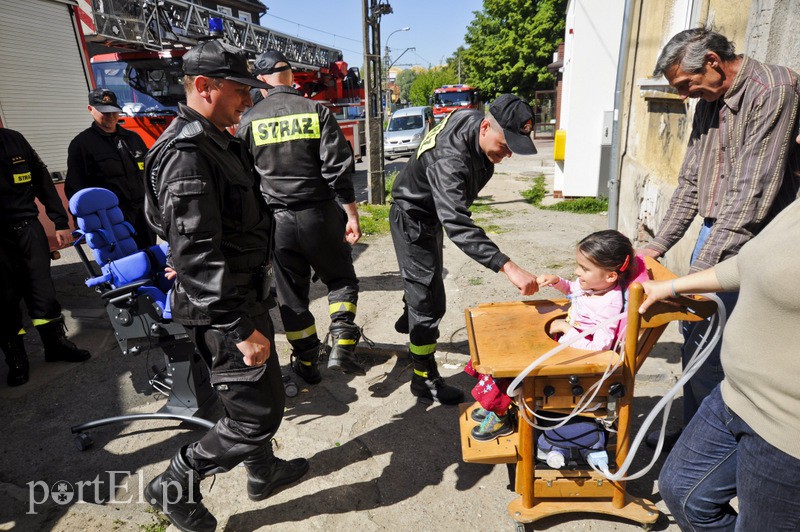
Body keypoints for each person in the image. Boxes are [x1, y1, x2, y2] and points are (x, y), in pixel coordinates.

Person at [142, 40, 307, 531]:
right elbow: (194, 251)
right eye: (239, 90)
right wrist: (238, 327)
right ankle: (174, 484)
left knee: (259, 396)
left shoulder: (216, 139)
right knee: (255, 416)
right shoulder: (187, 152)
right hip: (223, 310)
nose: (247, 100)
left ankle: (262, 472)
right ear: (203, 86)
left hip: (241, 296)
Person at [638, 28, 800, 446]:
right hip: (717, 230)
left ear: (712, 61)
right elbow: (690, 182)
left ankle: (724, 446)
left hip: (760, 238)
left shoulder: (773, 89)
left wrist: (693, 276)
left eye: (685, 84)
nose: (686, 95)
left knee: (727, 347)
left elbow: (752, 192)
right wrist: (654, 249)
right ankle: (696, 434)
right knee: (696, 340)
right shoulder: (708, 102)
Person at [638, 195, 800, 530]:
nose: (797, 138)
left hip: (786, 426)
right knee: (685, 493)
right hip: (734, 395)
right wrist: (669, 286)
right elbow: (748, 263)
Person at [390, 94, 540, 405]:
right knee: (429, 306)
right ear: (485, 126)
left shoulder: (469, 118)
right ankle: (423, 378)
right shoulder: (451, 161)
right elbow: (456, 222)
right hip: (414, 218)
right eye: (505, 145)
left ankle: (412, 302)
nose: (508, 154)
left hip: (429, 213)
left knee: (424, 286)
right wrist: (508, 266)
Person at [237, 49, 364, 384]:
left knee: (292, 299)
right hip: (320, 215)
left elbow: (243, 180)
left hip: (277, 224)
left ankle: (307, 365)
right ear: (291, 76)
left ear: (261, 82)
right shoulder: (316, 110)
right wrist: (351, 215)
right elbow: (339, 170)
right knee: (340, 279)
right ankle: (343, 341)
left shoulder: (249, 121)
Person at [465, 230, 634, 441]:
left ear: (610, 275)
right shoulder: (597, 286)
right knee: (508, 345)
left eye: (584, 268)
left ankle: (499, 413)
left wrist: (567, 329)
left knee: (512, 365)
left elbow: (601, 347)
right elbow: (574, 290)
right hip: (565, 345)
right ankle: (493, 400)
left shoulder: (609, 303)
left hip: (575, 360)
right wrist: (557, 281)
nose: (577, 271)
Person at [0, 127, 91, 387]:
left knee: (43, 293)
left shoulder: (14, 139)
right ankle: (17, 360)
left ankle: (56, 346)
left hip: (28, 228)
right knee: (4, 301)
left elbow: (41, 179)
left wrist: (60, 221)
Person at [66, 88, 155, 249]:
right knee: (124, 262)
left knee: (151, 256)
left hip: (143, 213)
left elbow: (150, 173)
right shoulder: (82, 144)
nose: (111, 116)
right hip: (111, 217)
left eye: (114, 111)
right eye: (105, 112)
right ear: (90, 109)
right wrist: (81, 221)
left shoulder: (133, 138)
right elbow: (75, 186)